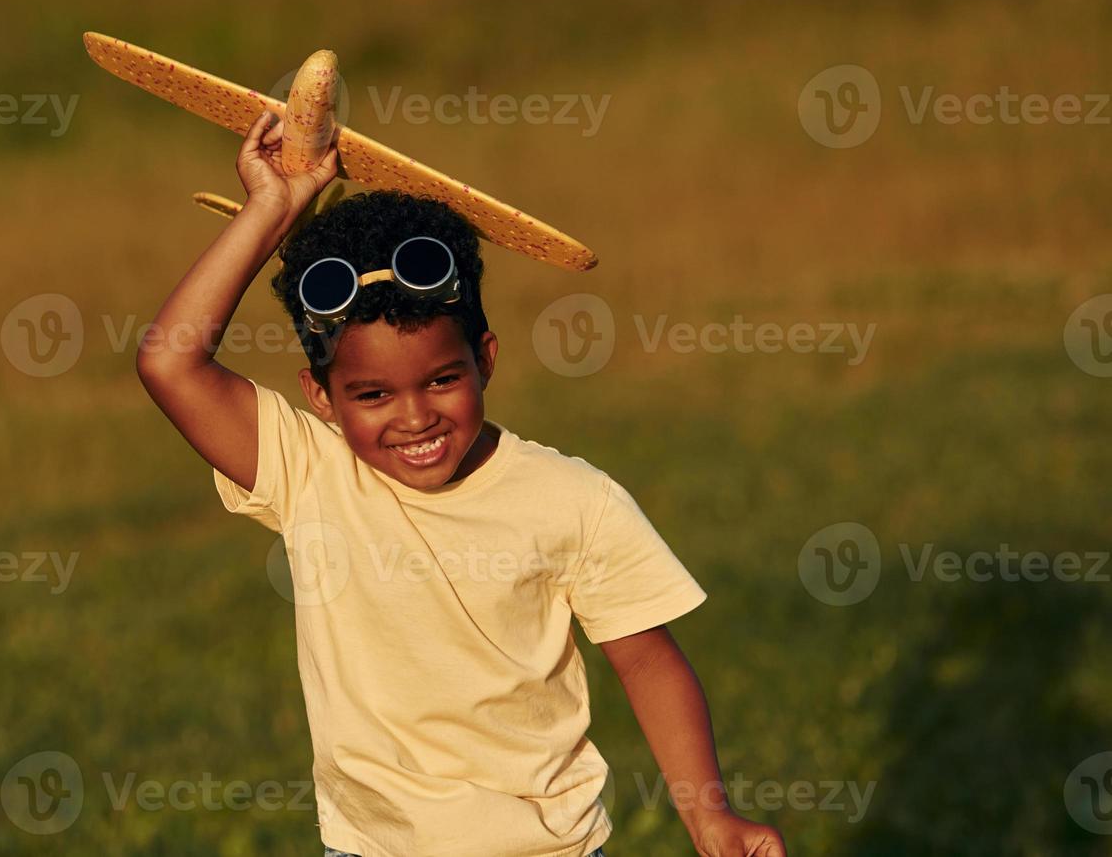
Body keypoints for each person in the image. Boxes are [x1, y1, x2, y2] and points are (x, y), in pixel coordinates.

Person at [136, 110, 787, 857]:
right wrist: (269, 211)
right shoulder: (310, 472)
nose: (415, 418)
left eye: (442, 380)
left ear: (486, 359)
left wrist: (709, 814)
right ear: (322, 397)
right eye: (373, 395)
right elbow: (170, 363)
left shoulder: (574, 500)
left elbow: (647, 661)